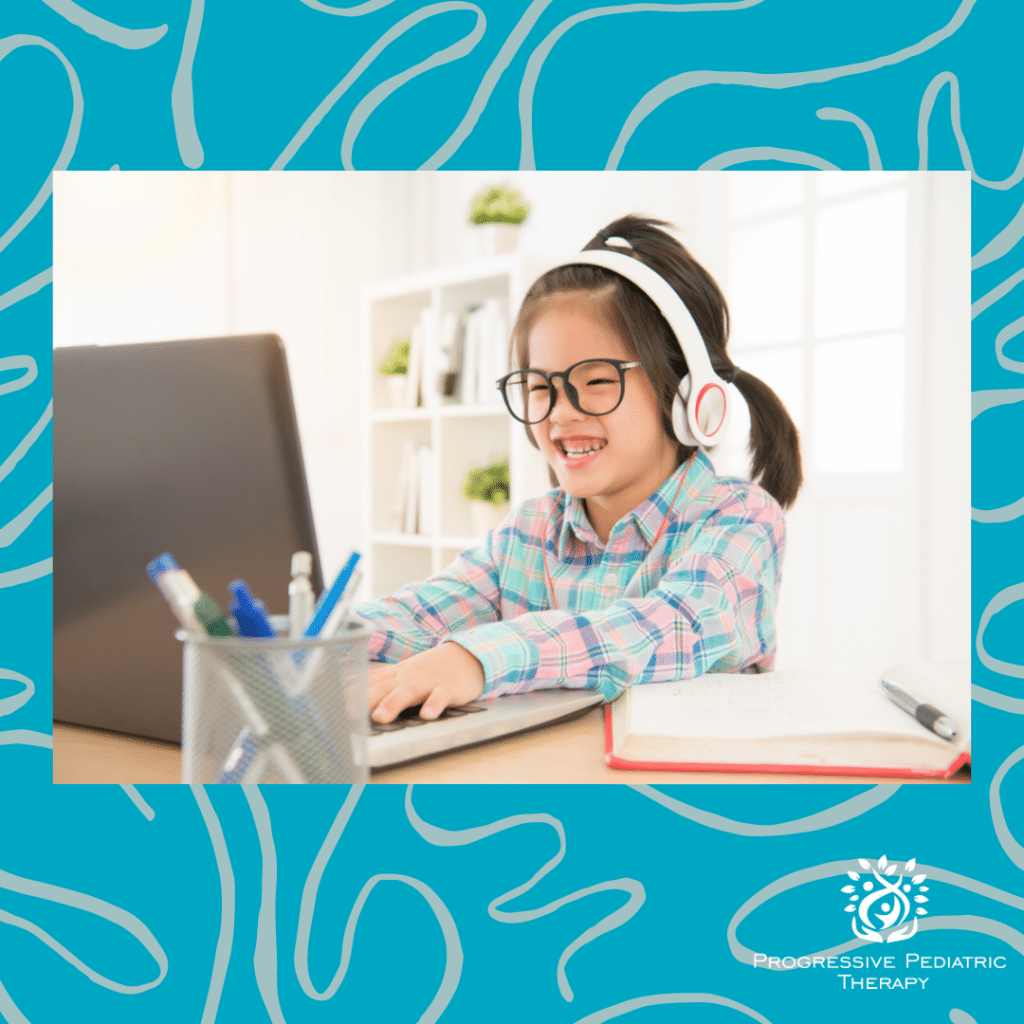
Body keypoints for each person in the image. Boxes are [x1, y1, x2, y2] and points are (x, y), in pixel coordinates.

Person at [358, 214, 802, 724]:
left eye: (595, 382)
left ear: (684, 393)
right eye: (541, 388)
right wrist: (308, 641)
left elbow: (672, 624)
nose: (560, 413)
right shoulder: (528, 535)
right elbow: (418, 616)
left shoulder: (741, 517)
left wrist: (477, 659)